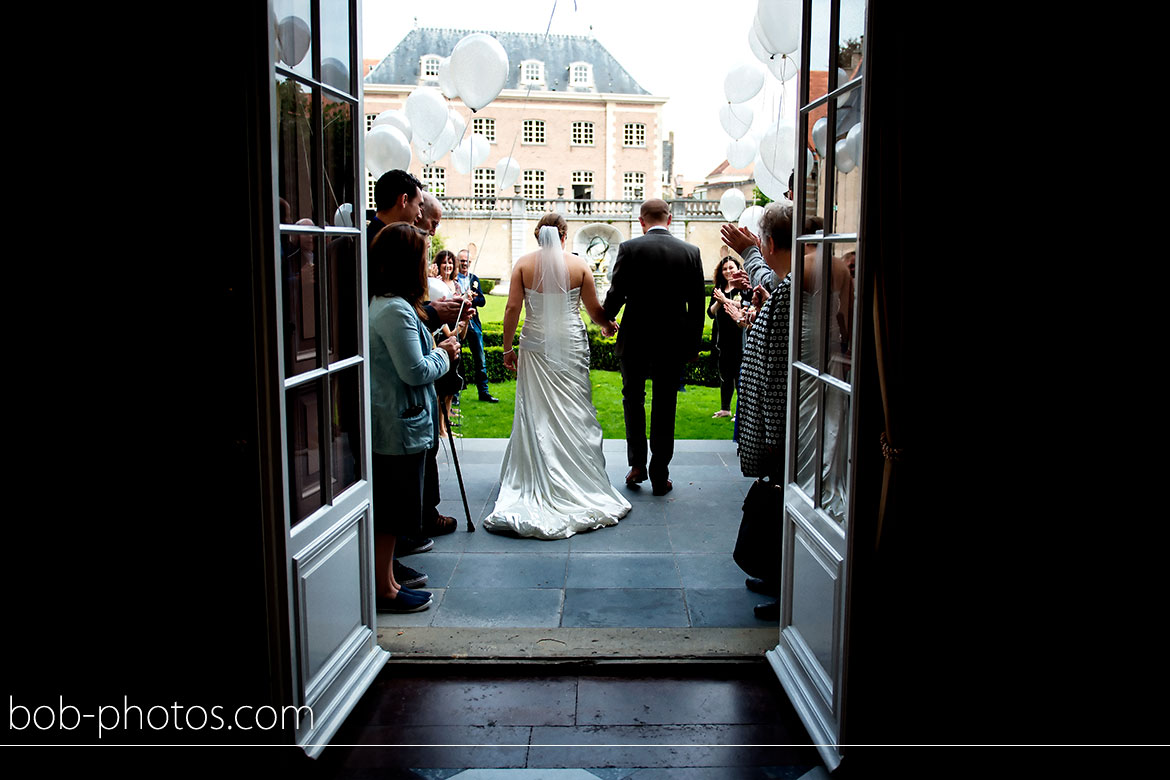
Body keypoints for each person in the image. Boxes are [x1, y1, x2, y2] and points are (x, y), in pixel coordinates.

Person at [482, 214, 630, 539]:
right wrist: (607, 324)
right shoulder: (579, 267)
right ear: (564, 236)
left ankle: (539, 472)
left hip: (534, 344)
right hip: (571, 342)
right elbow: (593, 310)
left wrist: (507, 349)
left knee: (536, 410)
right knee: (574, 410)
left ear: (538, 236)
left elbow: (511, 310)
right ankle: (577, 477)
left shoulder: (523, 264)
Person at [366, 171, 465, 580]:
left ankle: (386, 577)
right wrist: (444, 352)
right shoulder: (394, 309)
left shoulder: (394, 305)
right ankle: (386, 582)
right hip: (397, 421)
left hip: (400, 418)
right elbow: (415, 370)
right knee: (392, 505)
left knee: (397, 503)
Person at [602, 199, 706, 496]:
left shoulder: (630, 248)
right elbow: (697, 305)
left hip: (635, 339)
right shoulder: (691, 252)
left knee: (632, 400)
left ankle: (637, 466)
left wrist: (605, 318)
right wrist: (693, 345)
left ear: (641, 220)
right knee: (665, 404)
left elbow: (616, 293)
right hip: (673, 343)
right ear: (669, 219)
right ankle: (660, 473)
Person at [455, 248, 499, 403]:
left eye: (466, 261)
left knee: (480, 358)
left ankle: (484, 392)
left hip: (474, 322)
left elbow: (482, 301)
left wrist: (472, 299)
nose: (464, 264)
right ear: (458, 262)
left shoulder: (474, 279)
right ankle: (455, 396)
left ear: (470, 262)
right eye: (461, 261)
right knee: (456, 358)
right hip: (458, 322)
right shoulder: (454, 279)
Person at [708, 255, 749, 419]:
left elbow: (747, 304)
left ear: (738, 268)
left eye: (731, 267)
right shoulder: (718, 288)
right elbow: (710, 313)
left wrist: (726, 301)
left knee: (740, 375)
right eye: (725, 268)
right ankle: (725, 408)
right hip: (722, 338)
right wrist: (719, 301)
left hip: (739, 337)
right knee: (725, 375)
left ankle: (741, 412)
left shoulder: (743, 287)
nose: (728, 271)